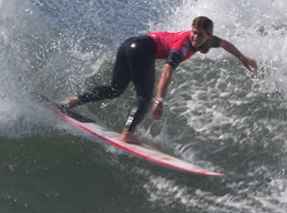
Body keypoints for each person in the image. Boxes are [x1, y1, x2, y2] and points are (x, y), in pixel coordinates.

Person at [63, 16, 258, 145]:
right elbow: (167, 72)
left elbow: (225, 44)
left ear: (208, 36)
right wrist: (159, 101)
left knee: (116, 89)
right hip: (141, 49)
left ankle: (74, 101)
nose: (196, 37)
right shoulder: (182, 46)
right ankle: (127, 134)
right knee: (145, 96)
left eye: (201, 34)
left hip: (129, 44)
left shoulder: (209, 41)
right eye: (194, 32)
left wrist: (243, 58)